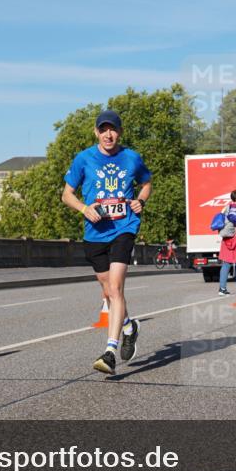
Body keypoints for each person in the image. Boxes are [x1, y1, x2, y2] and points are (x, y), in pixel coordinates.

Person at [62, 109, 151, 374]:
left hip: (124, 227)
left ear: (119, 132)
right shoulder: (83, 159)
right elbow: (67, 194)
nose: (108, 134)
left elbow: (146, 183)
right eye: (103, 130)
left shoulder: (132, 157)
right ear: (96, 132)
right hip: (95, 232)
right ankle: (129, 327)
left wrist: (140, 200)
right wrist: (84, 208)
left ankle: (110, 351)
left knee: (115, 287)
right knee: (108, 291)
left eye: (112, 129)